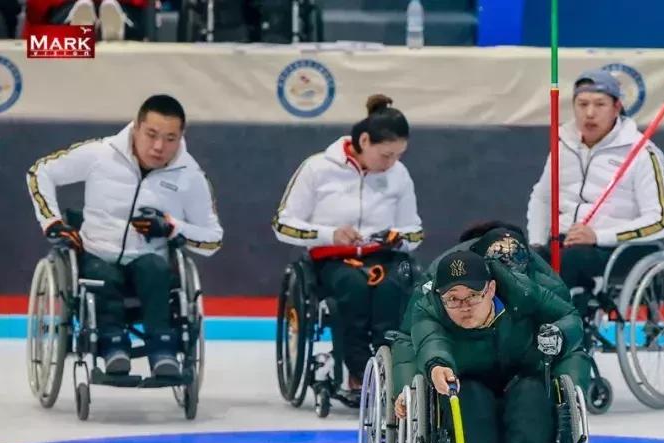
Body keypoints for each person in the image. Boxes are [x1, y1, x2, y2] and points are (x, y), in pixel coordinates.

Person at [26, 94, 224, 378]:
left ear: (181, 137)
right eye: (151, 134)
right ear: (136, 127)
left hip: (149, 260)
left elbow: (213, 238)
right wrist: (52, 222)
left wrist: (172, 227)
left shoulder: (191, 176)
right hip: (97, 253)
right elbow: (40, 171)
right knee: (101, 274)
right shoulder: (101, 153)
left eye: (170, 138)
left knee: (156, 270)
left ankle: (163, 349)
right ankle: (113, 345)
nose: (159, 147)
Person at [394, 250, 587, 443]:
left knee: (533, 394)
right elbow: (430, 341)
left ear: (491, 289)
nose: (464, 306)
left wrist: (559, 335)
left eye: (473, 296)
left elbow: (570, 317)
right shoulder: (428, 309)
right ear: (439, 296)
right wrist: (437, 366)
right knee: (467, 397)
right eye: (453, 299)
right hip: (466, 383)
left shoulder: (524, 295)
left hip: (522, 377)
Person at [272, 94, 423, 390]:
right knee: (353, 289)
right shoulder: (317, 169)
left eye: (399, 156)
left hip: (384, 257)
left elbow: (414, 231)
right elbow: (282, 225)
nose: (392, 163)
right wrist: (329, 234)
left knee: (395, 288)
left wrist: (399, 237)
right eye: (386, 155)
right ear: (364, 141)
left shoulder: (399, 175)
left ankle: (391, 367)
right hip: (334, 260)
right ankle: (359, 370)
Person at [526, 69, 664, 316]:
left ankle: (560, 328)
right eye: (582, 104)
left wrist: (598, 236)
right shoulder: (563, 145)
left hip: (614, 248)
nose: (590, 113)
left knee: (570, 261)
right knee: (514, 256)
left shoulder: (641, 153)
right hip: (563, 241)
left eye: (599, 104)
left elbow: (659, 220)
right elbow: (542, 198)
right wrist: (537, 242)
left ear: (617, 107)